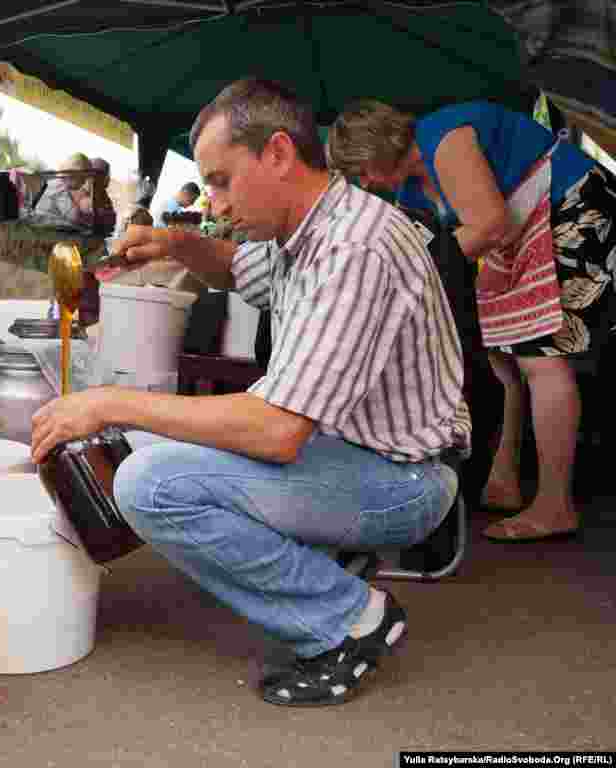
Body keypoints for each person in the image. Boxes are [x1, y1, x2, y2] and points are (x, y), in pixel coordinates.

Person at [31, 78, 470, 707]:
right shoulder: (307, 228)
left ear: (279, 154)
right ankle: (320, 566)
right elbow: (236, 269)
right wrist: (179, 243)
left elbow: (277, 430)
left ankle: (350, 618)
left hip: (404, 482)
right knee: (146, 440)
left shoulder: (354, 249)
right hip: (349, 452)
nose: (216, 201)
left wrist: (106, 401)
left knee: (149, 483)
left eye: (220, 180)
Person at [327, 99, 616, 541]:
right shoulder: (411, 189)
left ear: (378, 146)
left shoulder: (443, 140)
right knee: (502, 355)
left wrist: (409, 272)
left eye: (361, 169)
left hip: (574, 204)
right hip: (524, 230)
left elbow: (488, 226)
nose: (364, 183)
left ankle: (555, 503)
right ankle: (505, 477)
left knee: (541, 359)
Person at [34, 152, 94, 227]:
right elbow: (73, 217)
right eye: (83, 178)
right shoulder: (58, 187)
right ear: (74, 174)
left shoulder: (55, 183)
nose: (84, 182)